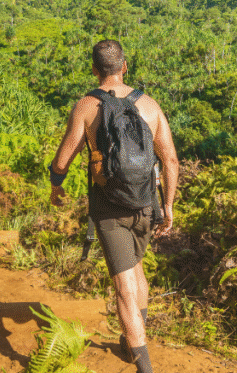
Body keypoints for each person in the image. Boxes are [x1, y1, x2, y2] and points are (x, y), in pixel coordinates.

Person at [48, 39, 178, 373]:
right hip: (147, 206)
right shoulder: (149, 105)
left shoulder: (86, 106)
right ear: (124, 67)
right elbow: (171, 160)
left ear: (94, 69)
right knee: (135, 268)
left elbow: (63, 160)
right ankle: (129, 342)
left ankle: (143, 366)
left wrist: (56, 186)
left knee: (123, 289)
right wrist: (169, 206)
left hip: (110, 210)